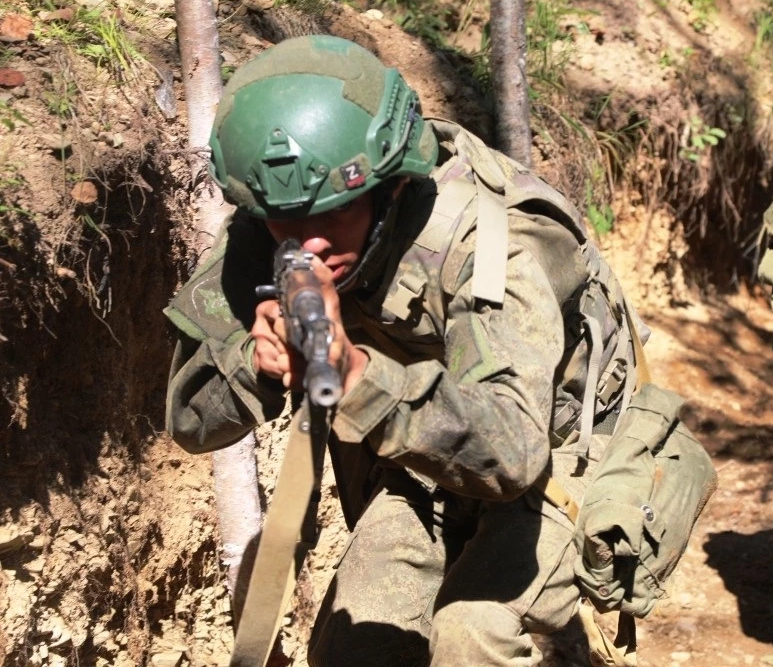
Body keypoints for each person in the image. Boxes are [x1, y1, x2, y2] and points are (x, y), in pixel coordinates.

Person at [163, 34, 712, 666]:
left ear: (387, 188)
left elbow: (513, 454)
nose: (306, 245)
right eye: (287, 223)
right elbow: (189, 422)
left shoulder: (486, 245)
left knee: (472, 634)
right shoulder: (270, 223)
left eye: (332, 217)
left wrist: (355, 374)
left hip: (562, 457)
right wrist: (255, 365)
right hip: (426, 460)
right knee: (354, 646)